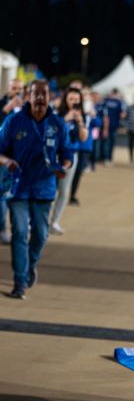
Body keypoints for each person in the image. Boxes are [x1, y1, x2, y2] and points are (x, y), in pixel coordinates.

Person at [0, 79, 73, 299]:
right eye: (35, 94)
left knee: (40, 235)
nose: (40, 98)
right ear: (28, 96)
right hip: (18, 188)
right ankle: (19, 282)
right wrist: (7, 162)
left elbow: (67, 154)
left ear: (50, 97)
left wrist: (63, 168)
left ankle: (30, 264)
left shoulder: (58, 124)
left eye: (44, 94)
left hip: (44, 188)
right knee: (20, 233)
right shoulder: (14, 121)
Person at [50, 87, 88, 234]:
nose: (74, 102)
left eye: (77, 100)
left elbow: (84, 137)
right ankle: (37, 221)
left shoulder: (82, 115)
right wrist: (66, 118)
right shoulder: (56, 113)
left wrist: (80, 122)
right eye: (71, 99)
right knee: (49, 189)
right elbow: (52, 130)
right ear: (65, 99)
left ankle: (55, 222)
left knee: (64, 191)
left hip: (71, 156)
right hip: (54, 155)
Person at [0, 79, 25, 244]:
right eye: (13, 88)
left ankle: (18, 229)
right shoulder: (2, 105)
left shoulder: (26, 107)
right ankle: (2, 229)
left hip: (21, 158)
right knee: (2, 195)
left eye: (19, 89)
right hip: (3, 158)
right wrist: (7, 109)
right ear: (8, 89)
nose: (16, 91)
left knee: (18, 196)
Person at [103, 88, 126, 164]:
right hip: (111, 125)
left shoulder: (106, 101)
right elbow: (123, 115)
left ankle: (107, 158)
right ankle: (108, 158)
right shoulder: (119, 102)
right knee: (110, 143)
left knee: (108, 142)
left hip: (110, 125)